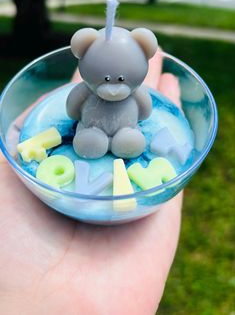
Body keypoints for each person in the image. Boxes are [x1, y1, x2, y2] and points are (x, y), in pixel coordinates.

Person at [0, 51, 183, 314]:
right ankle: (93, 140)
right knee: (89, 142)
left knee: (127, 140)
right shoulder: (84, 92)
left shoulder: (137, 93)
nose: (113, 87)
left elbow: (144, 107)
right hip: (89, 130)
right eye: (106, 79)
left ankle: (125, 139)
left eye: (121, 79)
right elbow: (74, 108)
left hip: (126, 130)